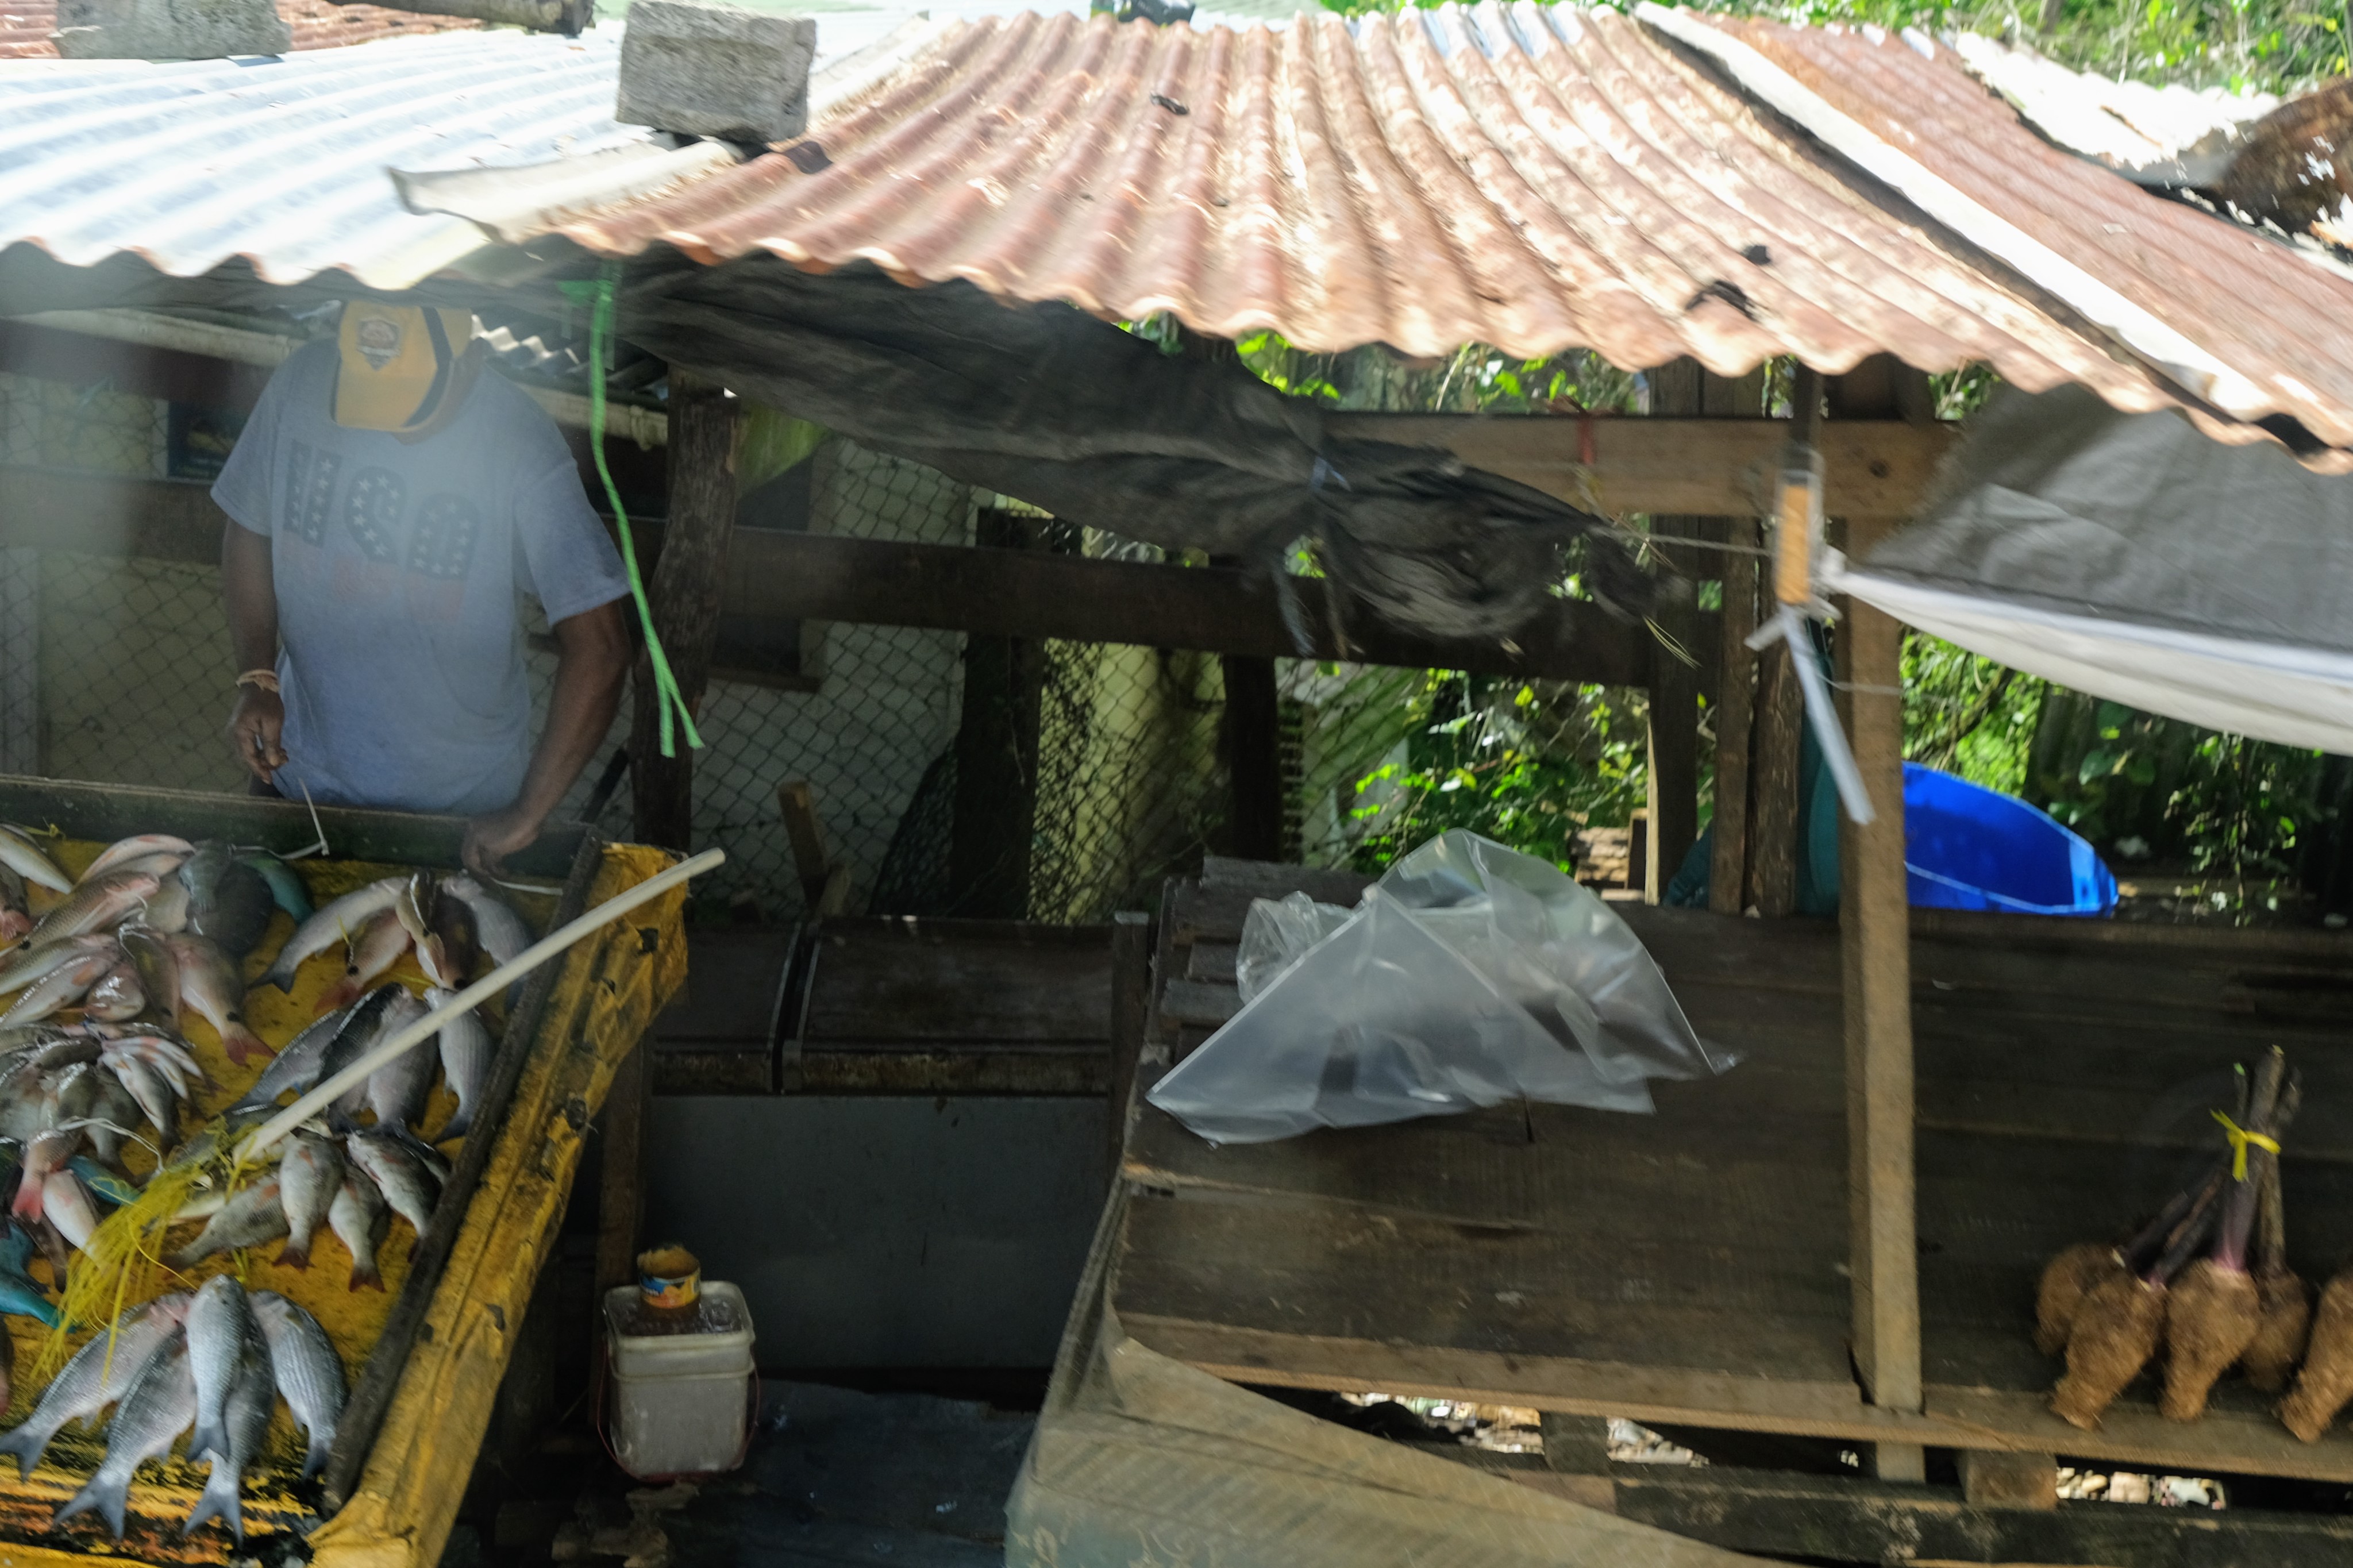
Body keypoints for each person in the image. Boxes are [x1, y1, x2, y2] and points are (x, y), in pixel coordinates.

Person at [214, 301, 632, 876]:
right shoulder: (303, 383)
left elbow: (602, 646)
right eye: (373, 394)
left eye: (412, 397)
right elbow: (248, 524)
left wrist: (529, 811)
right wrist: (258, 675)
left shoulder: (516, 440)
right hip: (298, 782)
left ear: (472, 361)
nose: (389, 424)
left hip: (456, 815)